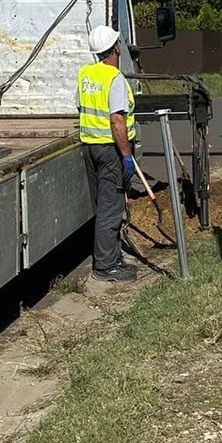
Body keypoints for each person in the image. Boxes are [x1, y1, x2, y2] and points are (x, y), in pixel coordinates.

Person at [77, 26, 138, 283]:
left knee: (101, 205)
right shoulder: (115, 79)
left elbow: (81, 106)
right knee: (111, 208)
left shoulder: (85, 74)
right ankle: (106, 266)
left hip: (89, 146)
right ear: (115, 48)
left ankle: (110, 255)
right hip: (110, 150)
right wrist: (125, 155)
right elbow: (116, 121)